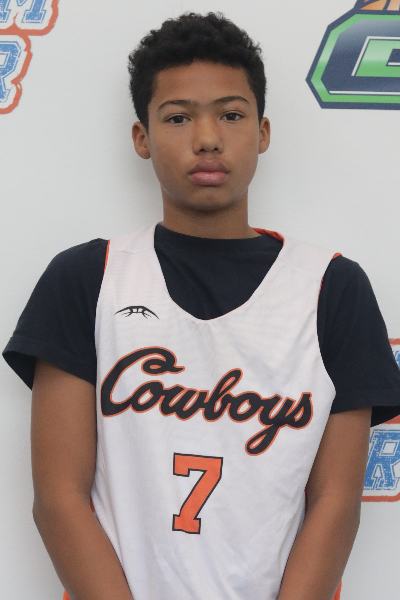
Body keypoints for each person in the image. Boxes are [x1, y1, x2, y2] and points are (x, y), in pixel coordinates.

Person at [3, 12, 400, 600]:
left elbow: (336, 502)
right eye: (178, 116)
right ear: (142, 137)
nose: (207, 137)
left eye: (231, 114)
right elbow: (59, 499)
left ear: (263, 132)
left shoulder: (333, 288)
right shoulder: (86, 279)